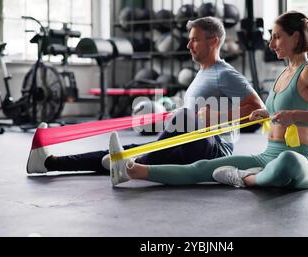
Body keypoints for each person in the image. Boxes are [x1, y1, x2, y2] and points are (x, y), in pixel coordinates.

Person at [109, 11, 308, 189]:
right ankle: (132, 171)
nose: (271, 44)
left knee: (287, 161)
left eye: (277, 37)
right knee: (202, 168)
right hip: (267, 156)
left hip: (299, 159)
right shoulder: (283, 73)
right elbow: (275, 112)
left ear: (295, 38)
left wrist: (295, 116)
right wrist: (264, 114)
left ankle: (246, 178)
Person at [27, 16, 263, 174]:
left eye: (195, 40)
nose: (189, 45)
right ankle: (49, 163)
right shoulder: (202, 73)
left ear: (213, 42)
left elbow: (259, 110)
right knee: (125, 149)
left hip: (216, 149)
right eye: (189, 39)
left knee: (184, 117)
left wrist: (219, 115)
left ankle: (134, 164)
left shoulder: (225, 73)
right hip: (189, 141)